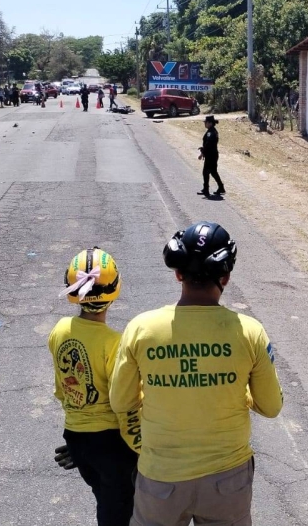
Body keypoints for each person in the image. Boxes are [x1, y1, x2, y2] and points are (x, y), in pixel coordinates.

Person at [110, 221, 283, 526]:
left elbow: (121, 402)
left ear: (178, 274)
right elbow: (271, 407)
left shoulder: (141, 328)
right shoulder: (250, 332)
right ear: (225, 277)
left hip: (161, 478)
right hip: (227, 480)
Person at [49, 248, 141, 526]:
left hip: (76, 438)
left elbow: (62, 389)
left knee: (104, 497)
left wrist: (82, 444)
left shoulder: (59, 330)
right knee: (120, 511)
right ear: (115, 290)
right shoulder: (116, 343)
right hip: (113, 442)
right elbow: (123, 403)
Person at [197, 115, 225, 197]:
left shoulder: (210, 133)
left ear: (210, 123)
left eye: (205, 122)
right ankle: (221, 187)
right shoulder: (213, 131)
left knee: (205, 172)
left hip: (211, 155)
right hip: (213, 154)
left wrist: (202, 153)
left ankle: (206, 190)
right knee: (213, 172)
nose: (204, 124)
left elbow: (208, 144)